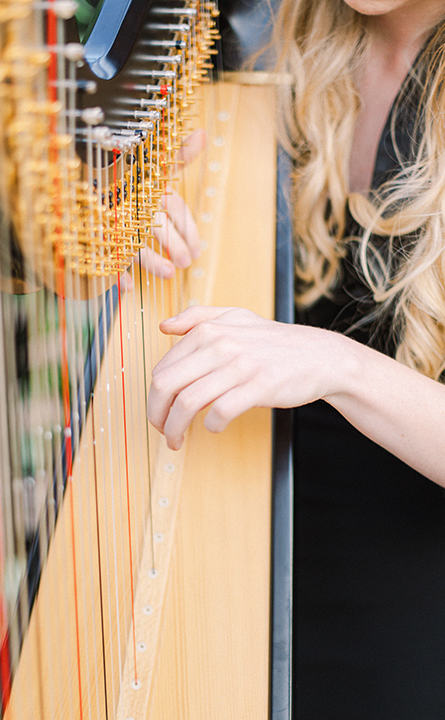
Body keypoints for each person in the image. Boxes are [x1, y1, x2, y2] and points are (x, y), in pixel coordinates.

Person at [147, 0, 445, 717]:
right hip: (227, 555)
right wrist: (140, 205)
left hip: (407, 618)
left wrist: (339, 366)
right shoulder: (260, 40)